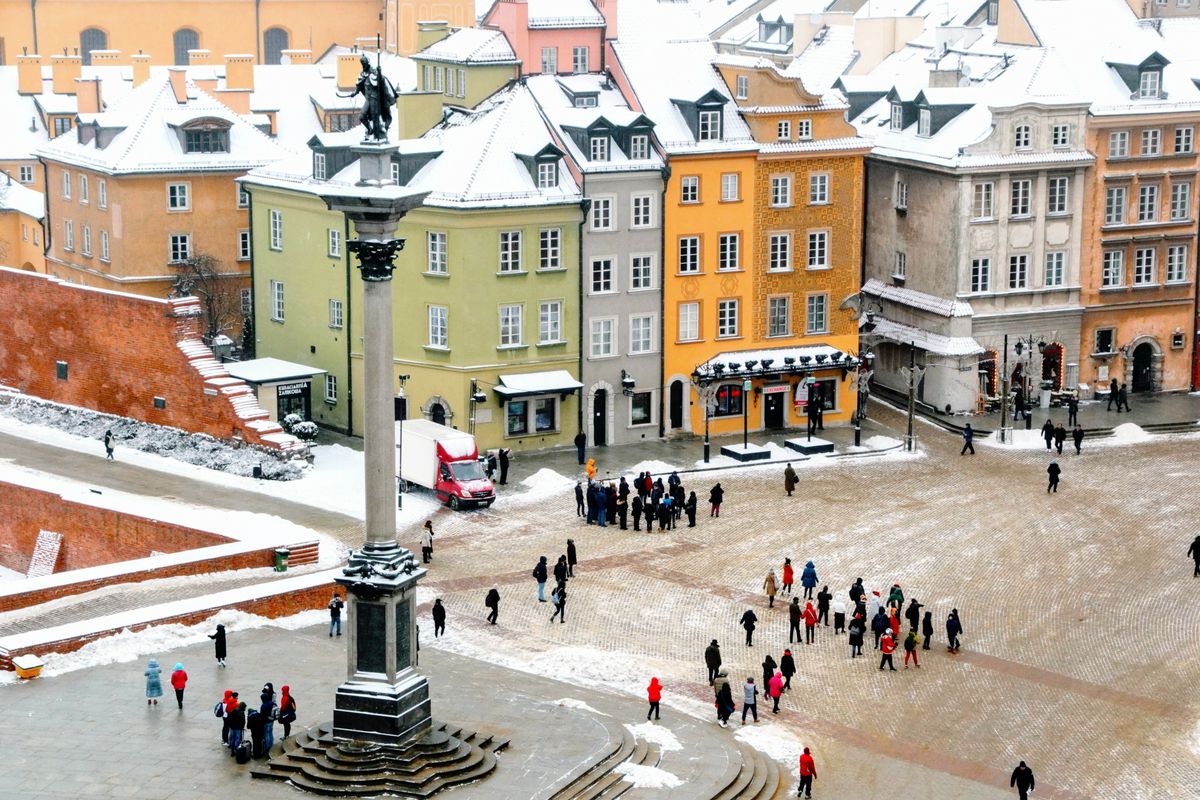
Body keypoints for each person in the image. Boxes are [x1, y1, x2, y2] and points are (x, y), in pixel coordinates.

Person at [260, 683, 276, 754]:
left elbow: (262, 714)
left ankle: (267, 748)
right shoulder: (271, 703)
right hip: (272, 719)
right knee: (270, 732)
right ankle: (271, 745)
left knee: (266, 733)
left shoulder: (264, 706)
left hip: (266, 720)